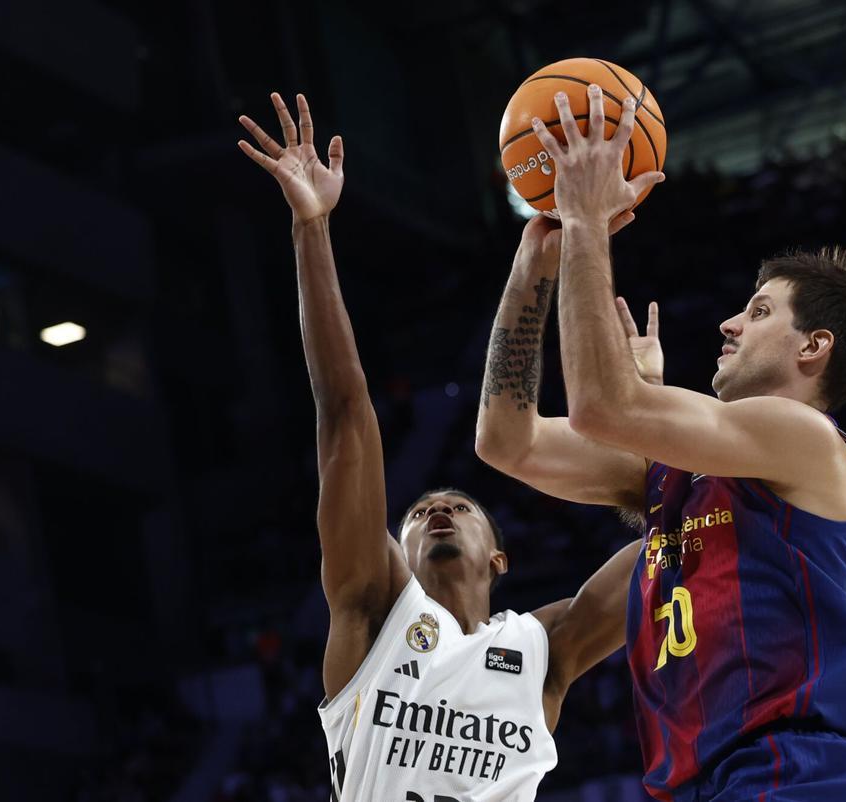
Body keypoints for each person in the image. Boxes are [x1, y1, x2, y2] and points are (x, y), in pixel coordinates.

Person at [236, 92, 642, 802]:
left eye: (458, 505)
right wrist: (311, 228)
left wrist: (654, 428)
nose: (438, 511)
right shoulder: (371, 615)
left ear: (500, 557)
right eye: (421, 512)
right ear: (396, 548)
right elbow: (344, 412)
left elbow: (681, 531)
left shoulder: (542, 650)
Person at [501, 84, 846, 800]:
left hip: (797, 777)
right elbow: (508, 441)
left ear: (814, 346)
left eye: (759, 311)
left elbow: (599, 406)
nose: (730, 325)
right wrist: (535, 267)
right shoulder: (676, 500)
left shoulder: (805, 436)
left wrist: (589, 222)